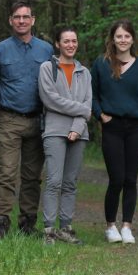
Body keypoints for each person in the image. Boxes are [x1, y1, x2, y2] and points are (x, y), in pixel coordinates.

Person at [0, 0, 53, 238]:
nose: (22, 21)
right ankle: (1, 221)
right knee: (6, 172)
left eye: (26, 17)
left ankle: (27, 222)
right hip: (10, 120)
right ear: (11, 20)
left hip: (38, 120)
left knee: (32, 175)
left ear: (33, 20)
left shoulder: (45, 50)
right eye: (17, 17)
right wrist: (7, 105)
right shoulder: (0, 50)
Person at [92, 19, 138, 244]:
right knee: (116, 178)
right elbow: (92, 95)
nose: (122, 40)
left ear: (132, 39)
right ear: (112, 39)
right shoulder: (102, 64)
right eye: (119, 36)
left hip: (137, 128)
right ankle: (111, 226)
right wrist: (100, 114)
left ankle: (127, 226)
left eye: (127, 36)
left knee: (131, 179)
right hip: (112, 127)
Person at [38, 26, 92, 245]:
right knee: (54, 181)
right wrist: (81, 110)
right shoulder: (47, 68)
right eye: (66, 41)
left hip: (79, 133)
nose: (71, 45)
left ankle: (66, 228)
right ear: (58, 44)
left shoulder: (84, 72)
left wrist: (77, 128)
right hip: (54, 131)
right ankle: (49, 230)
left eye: (74, 41)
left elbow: (88, 105)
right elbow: (50, 99)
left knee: (70, 182)